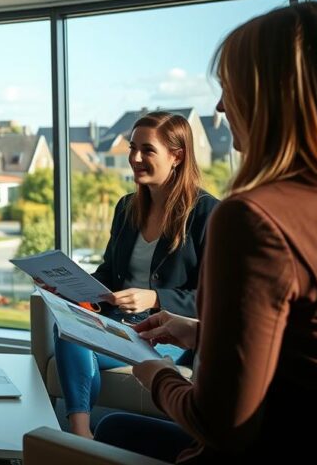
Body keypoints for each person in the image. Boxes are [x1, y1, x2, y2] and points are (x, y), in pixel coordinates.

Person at [96, 1, 317, 463]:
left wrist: (157, 375)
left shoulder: (253, 219)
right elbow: (310, 353)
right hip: (316, 442)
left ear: (273, 99)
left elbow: (220, 425)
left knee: (106, 431)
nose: (220, 106)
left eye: (230, 88)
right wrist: (197, 333)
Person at [50, 111, 218, 437]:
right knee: (70, 330)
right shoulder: (127, 207)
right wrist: (66, 284)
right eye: (132, 147)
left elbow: (212, 299)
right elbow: (109, 275)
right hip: (118, 326)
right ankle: (81, 433)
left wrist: (156, 299)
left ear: (177, 156)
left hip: (167, 335)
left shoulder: (207, 213)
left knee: (77, 342)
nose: (135, 158)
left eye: (147, 150)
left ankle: (80, 438)